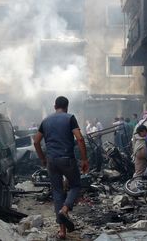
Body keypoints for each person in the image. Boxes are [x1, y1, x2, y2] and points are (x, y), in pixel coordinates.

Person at [34, 96, 89, 239]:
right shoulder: (70, 118)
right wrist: (84, 159)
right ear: (67, 107)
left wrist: (42, 159)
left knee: (57, 192)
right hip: (67, 159)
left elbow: (36, 142)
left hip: (51, 161)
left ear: (54, 106)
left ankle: (62, 231)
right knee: (76, 185)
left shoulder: (45, 121)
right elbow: (80, 138)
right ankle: (65, 209)